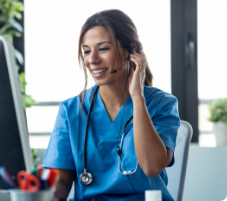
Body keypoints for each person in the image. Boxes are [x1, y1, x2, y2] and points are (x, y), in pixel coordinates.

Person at [42, 9, 180, 201]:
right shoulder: (71, 110)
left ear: (131, 50)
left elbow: (151, 166)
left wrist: (137, 97)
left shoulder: (161, 104)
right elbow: (61, 182)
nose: (92, 60)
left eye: (103, 48)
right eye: (87, 51)